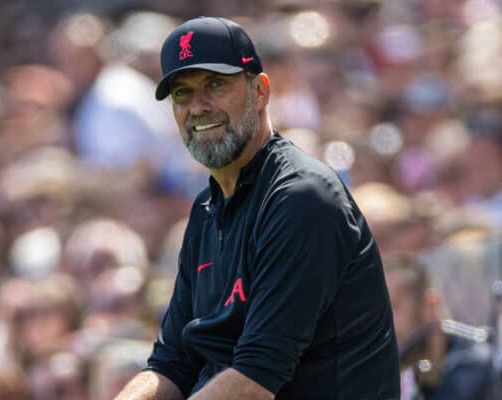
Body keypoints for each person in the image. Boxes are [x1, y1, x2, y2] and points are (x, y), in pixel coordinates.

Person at [115, 16, 400, 400]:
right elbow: (171, 365)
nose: (197, 107)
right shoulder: (205, 210)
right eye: (182, 93)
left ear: (261, 91)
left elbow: (257, 378)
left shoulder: (301, 197)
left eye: (215, 84)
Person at [383, 253, 498, 400]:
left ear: (431, 304)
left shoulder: (476, 368)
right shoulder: (400, 375)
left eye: (393, 307)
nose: (383, 322)